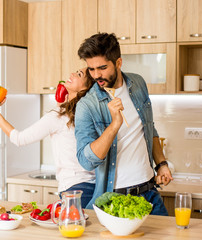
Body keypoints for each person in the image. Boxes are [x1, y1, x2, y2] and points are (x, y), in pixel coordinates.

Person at [74, 33, 173, 214]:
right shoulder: (87, 106)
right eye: (91, 69)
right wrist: (114, 125)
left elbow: (149, 128)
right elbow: (86, 161)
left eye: (102, 68)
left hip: (150, 192)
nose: (96, 75)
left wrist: (161, 164)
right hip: (116, 199)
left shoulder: (138, 83)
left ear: (118, 63)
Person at [0, 68, 95, 208]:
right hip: (93, 187)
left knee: (72, 229)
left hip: (73, 188)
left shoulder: (59, 116)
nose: (71, 74)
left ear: (86, 88)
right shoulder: (88, 114)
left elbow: (19, 139)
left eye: (79, 74)